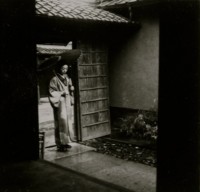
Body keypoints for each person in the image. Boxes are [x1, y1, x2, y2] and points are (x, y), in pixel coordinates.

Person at [48, 61, 75, 152]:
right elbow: (51, 91)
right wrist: (62, 93)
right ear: (59, 68)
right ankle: (60, 144)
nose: (64, 70)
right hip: (60, 102)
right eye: (63, 68)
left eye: (66, 68)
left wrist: (72, 89)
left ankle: (66, 141)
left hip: (67, 101)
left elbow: (70, 88)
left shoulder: (67, 78)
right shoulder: (54, 79)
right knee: (61, 122)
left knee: (67, 122)